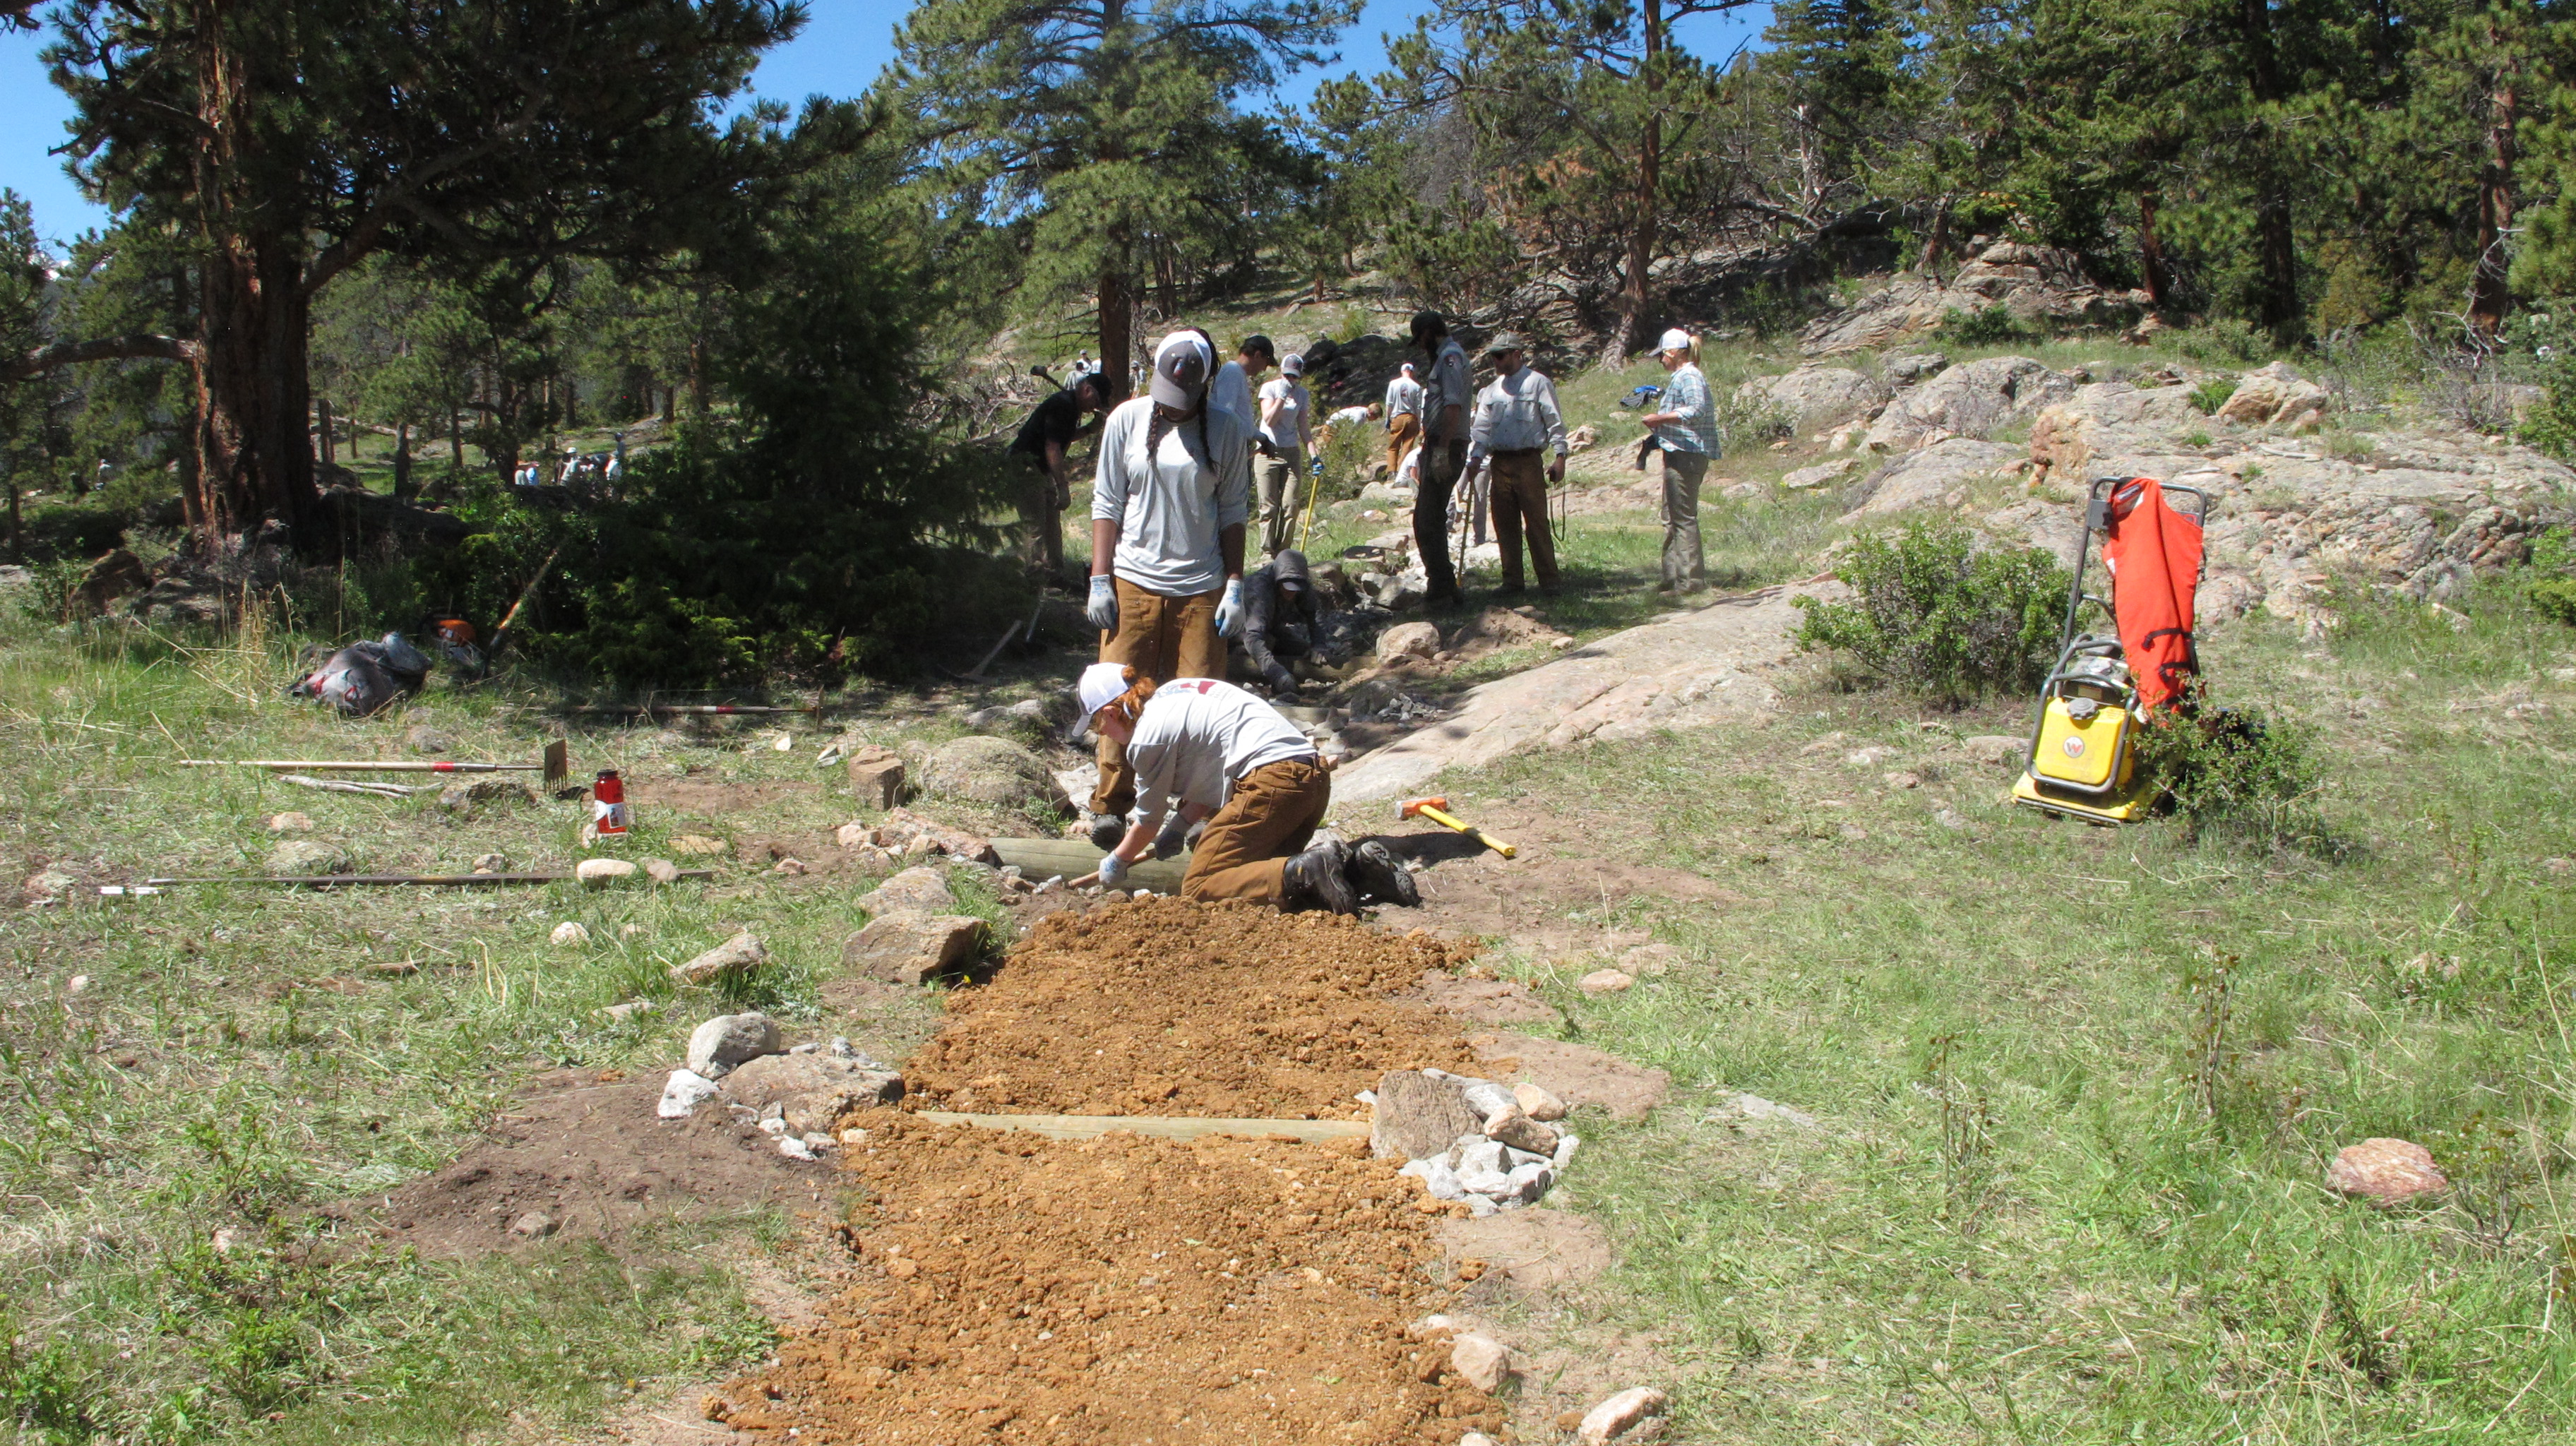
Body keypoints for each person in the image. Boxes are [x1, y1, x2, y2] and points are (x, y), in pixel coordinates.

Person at [1083, 330, 1253, 848]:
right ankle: (1112, 805)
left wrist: (1235, 585)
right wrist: (1099, 578)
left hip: (1200, 587)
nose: (1173, 409)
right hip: (1133, 582)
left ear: (1204, 387)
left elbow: (1232, 511)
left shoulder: (1224, 431)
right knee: (1121, 697)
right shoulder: (1126, 421)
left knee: (1202, 703)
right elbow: (1106, 503)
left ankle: (1196, 812)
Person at [1076, 662, 1418, 912]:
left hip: (1270, 785)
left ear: (1112, 711)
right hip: (1309, 780)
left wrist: (1117, 861)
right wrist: (1179, 826)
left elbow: (1147, 821)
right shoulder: (1177, 693)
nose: (1100, 733)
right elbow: (1209, 770)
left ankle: (1308, 868)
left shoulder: (1148, 738)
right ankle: (1360, 870)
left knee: (1200, 888)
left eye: (1096, 723)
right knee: (1257, 881)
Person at [1462, 333, 1568, 596]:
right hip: (1500, 462)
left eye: (1500, 355)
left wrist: (1560, 457)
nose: (1495, 361)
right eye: (1493, 356)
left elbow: (1554, 421)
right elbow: (1482, 428)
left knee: (1536, 522)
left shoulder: (1538, 383)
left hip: (1528, 461)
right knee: (1504, 522)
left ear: (1517, 354)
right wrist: (1475, 458)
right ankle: (1512, 581)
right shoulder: (1490, 391)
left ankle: (1549, 580)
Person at [1635, 328, 1719, 593]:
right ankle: (1673, 577)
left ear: (1673, 353)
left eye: (1662, 355)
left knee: (1683, 518)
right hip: (1679, 452)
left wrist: (1659, 419)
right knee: (1671, 516)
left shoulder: (1690, 376)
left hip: (1687, 454)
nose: (1661, 360)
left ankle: (1690, 581)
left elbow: (1696, 409)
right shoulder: (1682, 377)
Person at [1008, 370, 1109, 574]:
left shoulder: (1071, 407)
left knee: (1052, 523)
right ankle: (1036, 576)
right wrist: (1063, 487)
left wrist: (1090, 429)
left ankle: (1055, 572)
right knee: (1035, 526)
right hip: (1025, 465)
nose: (1095, 407)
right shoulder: (1062, 405)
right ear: (1087, 390)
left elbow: (1063, 436)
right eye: (1096, 400)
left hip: (1040, 467)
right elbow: (1052, 447)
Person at [1409, 312, 1473, 607]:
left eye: (1421, 340)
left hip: (1446, 446)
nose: (1421, 347)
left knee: (1428, 520)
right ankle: (1443, 584)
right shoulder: (1448, 356)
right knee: (1428, 518)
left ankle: (1442, 588)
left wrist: (1442, 450)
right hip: (1438, 444)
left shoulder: (1449, 357)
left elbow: (1452, 406)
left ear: (1427, 334)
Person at [1236, 547, 1320, 695]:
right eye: (1286, 586)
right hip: (1239, 632)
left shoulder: (1302, 581)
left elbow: (1313, 616)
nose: (1291, 592)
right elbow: (1253, 636)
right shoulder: (1258, 589)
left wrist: (1320, 645)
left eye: (1296, 588)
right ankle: (1238, 653)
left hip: (1272, 627)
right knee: (1267, 642)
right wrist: (1277, 674)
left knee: (1303, 649)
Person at [1255, 353, 1315, 557]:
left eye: (1294, 376)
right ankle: (1266, 552)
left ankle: (1284, 551)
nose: (1290, 380)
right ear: (1282, 372)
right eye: (1287, 375)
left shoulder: (1302, 395)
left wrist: (1314, 455)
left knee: (1291, 505)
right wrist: (1281, 396)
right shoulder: (1269, 388)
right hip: (1267, 451)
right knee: (1268, 507)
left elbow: (1304, 428)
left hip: (1291, 452)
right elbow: (1269, 420)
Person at [1211, 335, 1275, 432]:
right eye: (1266, 363)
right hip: (1230, 442)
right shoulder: (1232, 372)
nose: (1264, 369)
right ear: (1257, 355)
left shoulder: (1238, 373)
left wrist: (1260, 437)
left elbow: (1242, 417)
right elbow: (1225, 415)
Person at [1384, 362, 1423, 478]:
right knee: (1407, 446)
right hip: (1411, 417)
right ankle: (1401, 471)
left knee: (1393, 446)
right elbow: (1418, 407)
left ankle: (1391, 471)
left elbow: (1389, 404)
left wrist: (1388, 419)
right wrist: (1419, 422)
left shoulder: (1393, 384)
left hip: (1397, 416)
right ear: (1412, 372)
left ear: (1402, 371)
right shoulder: (1416, 386)